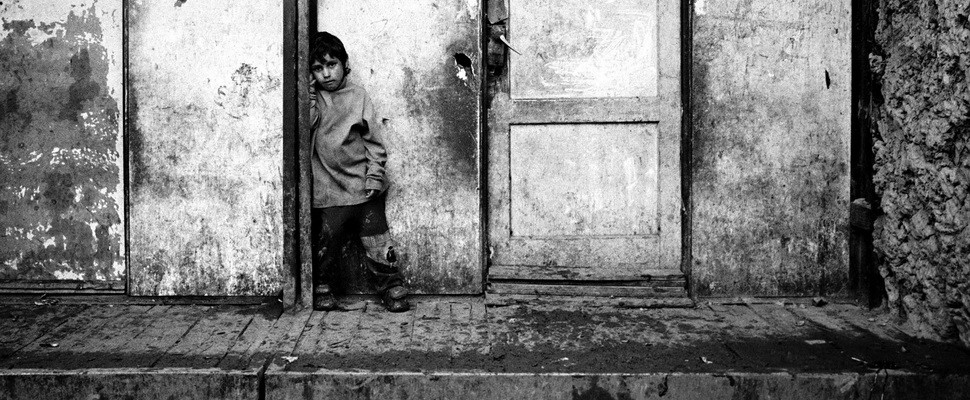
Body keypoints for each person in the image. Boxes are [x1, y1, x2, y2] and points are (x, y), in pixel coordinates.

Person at [308, 32, 408, 312]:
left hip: (363, 187)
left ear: (345, 64)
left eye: (332, 64)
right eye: (317, 68)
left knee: (378, 240)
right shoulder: (315, 99)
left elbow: (374, 142)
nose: (326, 73)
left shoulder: (358, 96)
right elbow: (307, 126)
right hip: (329, 189)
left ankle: (391, 286)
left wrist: (374, 176)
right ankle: (323, 285)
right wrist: (309, 92)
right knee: (327, 239)